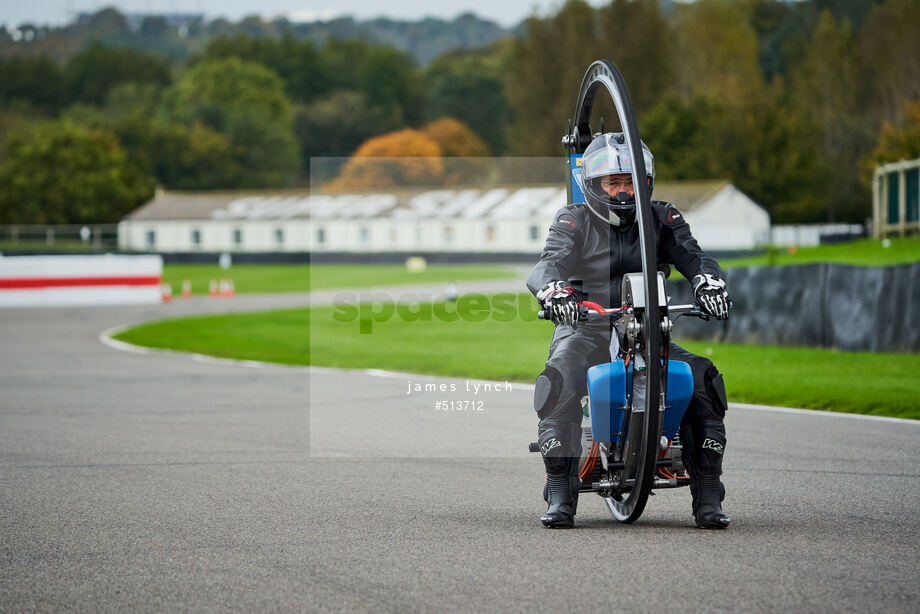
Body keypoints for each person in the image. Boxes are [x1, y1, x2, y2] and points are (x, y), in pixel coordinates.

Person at [528, 132, 732, 530]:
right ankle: (560, 489)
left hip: (650, 328)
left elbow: (695, 256)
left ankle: (708, 491)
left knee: (704, 378)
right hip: (585, 326)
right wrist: (556, 292)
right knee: (559, 378)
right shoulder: (573, 219)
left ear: (645, 181)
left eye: (629, 181)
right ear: (594, 184)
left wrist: (708, 282)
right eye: (613, 182)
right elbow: (546, 265)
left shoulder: (663, 217)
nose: (623, 191)